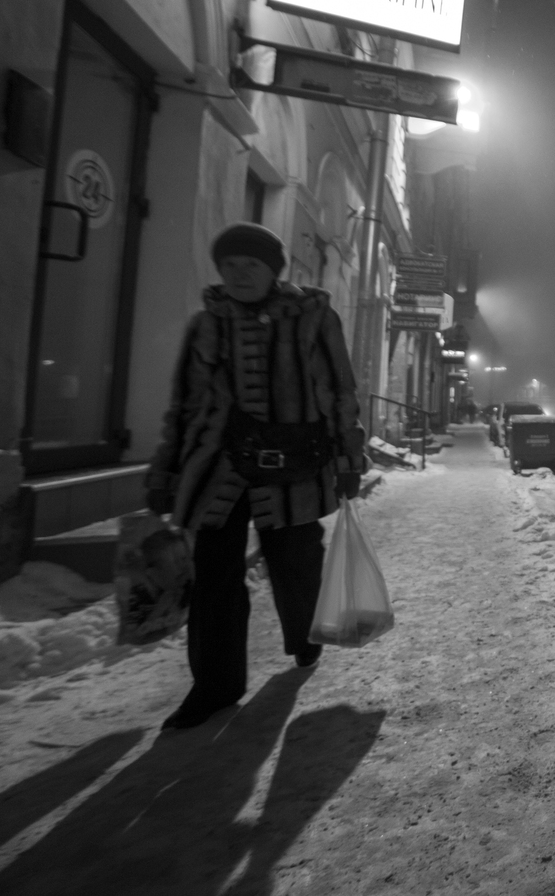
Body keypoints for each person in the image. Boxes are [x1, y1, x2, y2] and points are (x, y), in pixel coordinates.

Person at [145, 223, 366, 730]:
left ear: (273, 272)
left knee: (296, 565)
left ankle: (305, 635)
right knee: (214, 581)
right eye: (230, 266)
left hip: (292, 469)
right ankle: (215, 687)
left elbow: (338, 392)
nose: (240, 275)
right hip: (216, 469)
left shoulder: (312, 319)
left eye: (252, 265)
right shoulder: (206, 325)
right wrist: (166, 469)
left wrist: (349, 458)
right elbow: (184, 405)